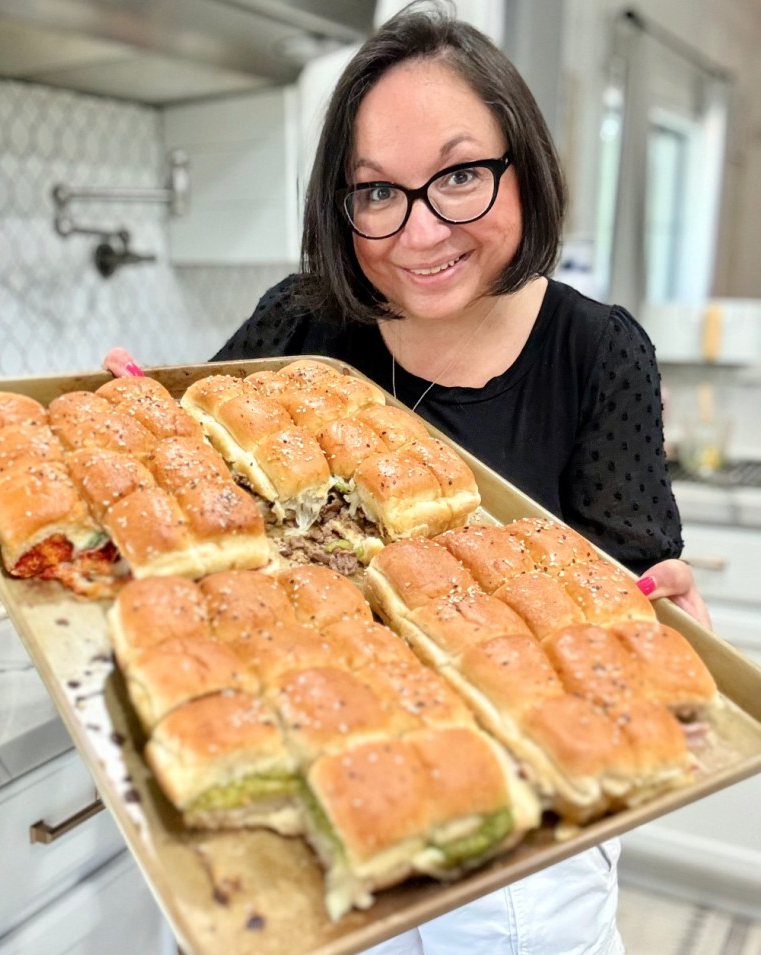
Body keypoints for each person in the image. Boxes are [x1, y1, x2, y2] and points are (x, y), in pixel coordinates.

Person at [107, 2, 710, 951]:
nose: (419, 233)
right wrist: (129, 415)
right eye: (377, 193)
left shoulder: (599, 352)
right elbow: (186, 462)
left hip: (514, 856)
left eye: (461, 175)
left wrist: (665, 614)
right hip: (301, 779)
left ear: (525, 164)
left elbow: (626, 603)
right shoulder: (304, 319)